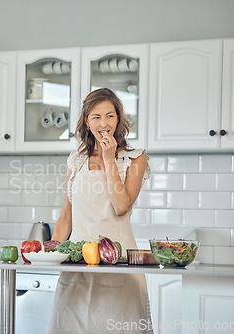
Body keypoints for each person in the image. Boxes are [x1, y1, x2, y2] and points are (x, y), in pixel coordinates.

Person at [46, 88, 152, 334]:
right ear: (86, 121)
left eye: (110, 116)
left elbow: (121, 206)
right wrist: (49, 251)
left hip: (119, 265)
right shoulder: (76, 160)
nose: (103, 123)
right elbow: (66, 216)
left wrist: (109, 159)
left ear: (119, 118)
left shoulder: (135, 159)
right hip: (77, 265)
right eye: (96, 117)